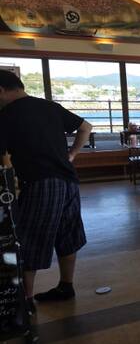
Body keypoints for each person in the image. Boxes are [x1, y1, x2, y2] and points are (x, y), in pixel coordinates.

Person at [0, 70, 92, 313]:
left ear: (1, 90)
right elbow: (86, 127)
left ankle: (26, 301)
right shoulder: (50, 106)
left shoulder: (7, 115)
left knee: (29, 239)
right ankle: (66, 286)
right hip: (68, 180)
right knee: (68, 234)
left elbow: (3, 158)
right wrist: (71, 155)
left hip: (41, 182)